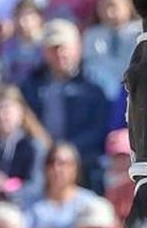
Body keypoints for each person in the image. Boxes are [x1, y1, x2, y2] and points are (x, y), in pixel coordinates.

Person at [19, 19, 111, 189]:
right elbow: (23, 121)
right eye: (53, 48)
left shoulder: (93, 87)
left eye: (64, 47)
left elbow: (99, 129)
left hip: (83, 165)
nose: (59, 53)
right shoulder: (30, 86)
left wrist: (67, 153)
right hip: (39, 162)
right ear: (44, 52)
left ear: (77, 48)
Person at [23, 142, 99, 228]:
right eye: (51, 162)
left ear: (75, 168)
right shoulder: (31, 204)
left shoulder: (89, 202)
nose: (57, 169)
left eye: (63, 163)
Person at [0, 83, 50, 200]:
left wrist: (6, 188)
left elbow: (36, 186)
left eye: (7, 110)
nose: (1, 116)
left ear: (21, 111)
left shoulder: (34, 146)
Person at [82, 0, 143, 101]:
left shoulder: (140, 34)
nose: (109, 13)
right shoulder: (91, 36)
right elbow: (90, 68)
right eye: (103, 6)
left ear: (128, 5)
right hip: (98, 95)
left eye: (113, 6)